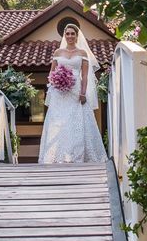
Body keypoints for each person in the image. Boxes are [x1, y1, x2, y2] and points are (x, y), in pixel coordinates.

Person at [38, 24, 107, 163]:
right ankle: (58, 155)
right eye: (67, 34)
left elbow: (85, 76)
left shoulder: (82, 53)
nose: (70, 36)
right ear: (65, 36)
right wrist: (55, 81)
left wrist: (83, 93)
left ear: (77, 36)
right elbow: (52, 72)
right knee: (58, 121)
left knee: (76, 121)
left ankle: (76, 155)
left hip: (76, 91)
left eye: (72, 34)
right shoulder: (58, 52)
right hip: (60, 92)